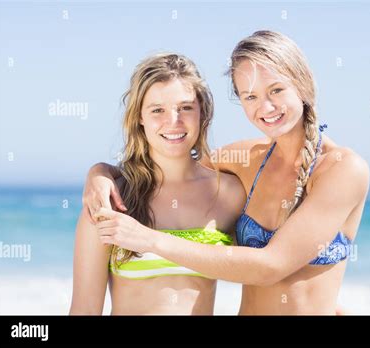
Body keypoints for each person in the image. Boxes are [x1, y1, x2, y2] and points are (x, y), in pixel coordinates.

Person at [87, 31, 370, 315]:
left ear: (303, 84)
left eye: (276, 90)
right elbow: (174, 168)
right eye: (250, 96)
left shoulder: (342, 169)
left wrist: (148, 239)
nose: (266, 107)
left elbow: (271, 266)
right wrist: (101, 173)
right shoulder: (244, 160)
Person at [69, 53, 245, 315]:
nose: (173, 121)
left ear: (202, 112)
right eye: (157, 110)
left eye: (185, 107)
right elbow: (84, 310)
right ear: (139, 117)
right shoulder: (110, 198)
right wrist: (98, 172)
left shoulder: (230, 193)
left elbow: (268, 270)